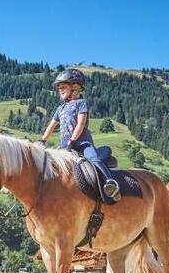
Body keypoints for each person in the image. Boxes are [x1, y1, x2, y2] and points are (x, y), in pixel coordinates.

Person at [41, 68, 121, 201]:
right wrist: (42, 140)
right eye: (59, 87)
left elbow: (81, 124)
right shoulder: (60, 109)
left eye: (63, 86)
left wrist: (72, 140)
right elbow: (51, 125)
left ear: (75, 87)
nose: (60, 89)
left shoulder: (81, 103)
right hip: (65, 147)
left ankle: (110, 183)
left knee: (94, 159)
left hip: (82, 144)